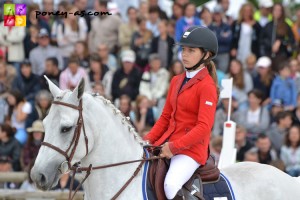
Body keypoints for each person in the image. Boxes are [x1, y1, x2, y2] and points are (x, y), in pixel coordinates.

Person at [143, 26, 219, 200]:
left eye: (191, 50)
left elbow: (204, 127)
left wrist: (174, 147)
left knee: (170, 185)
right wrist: (148, 140)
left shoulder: (207, 86)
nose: (184, 54)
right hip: (167, 143)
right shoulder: (176, 80)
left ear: (206, 55)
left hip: (190, 151)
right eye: (183, 49)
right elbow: (165, 117)